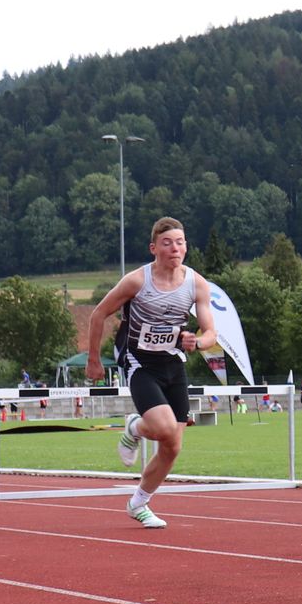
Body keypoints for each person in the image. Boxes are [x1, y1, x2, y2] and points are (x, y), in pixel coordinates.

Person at [84, 217, 219, 530]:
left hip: (173, 363)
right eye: (168, 242)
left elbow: (211, 331)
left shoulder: (196, 283)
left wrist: (197, 341)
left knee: (173, 446)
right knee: (163, 428)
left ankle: (139, 503)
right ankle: (135, 426)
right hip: (139, 360)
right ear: (154, 248)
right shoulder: (137, 281)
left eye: (181, 242)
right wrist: (93, 359)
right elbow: (98, 314)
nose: (175, 248)